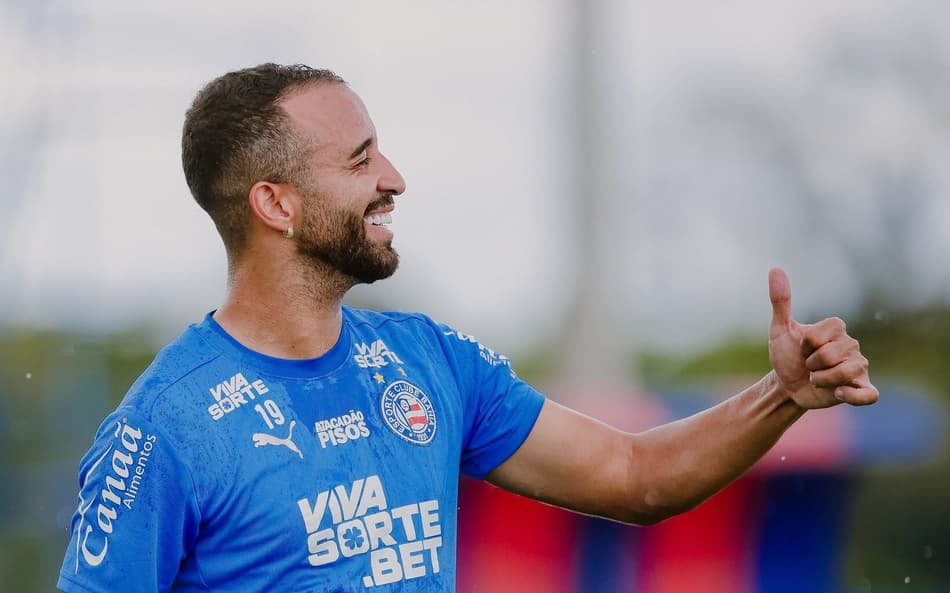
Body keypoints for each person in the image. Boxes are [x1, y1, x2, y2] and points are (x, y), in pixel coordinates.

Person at [57, 63, 877, 593]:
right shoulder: (165, 428)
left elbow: (637, 475)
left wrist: (784, 394)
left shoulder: (428, 362)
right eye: (359, 160)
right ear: (275, 203)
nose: (394, 179)